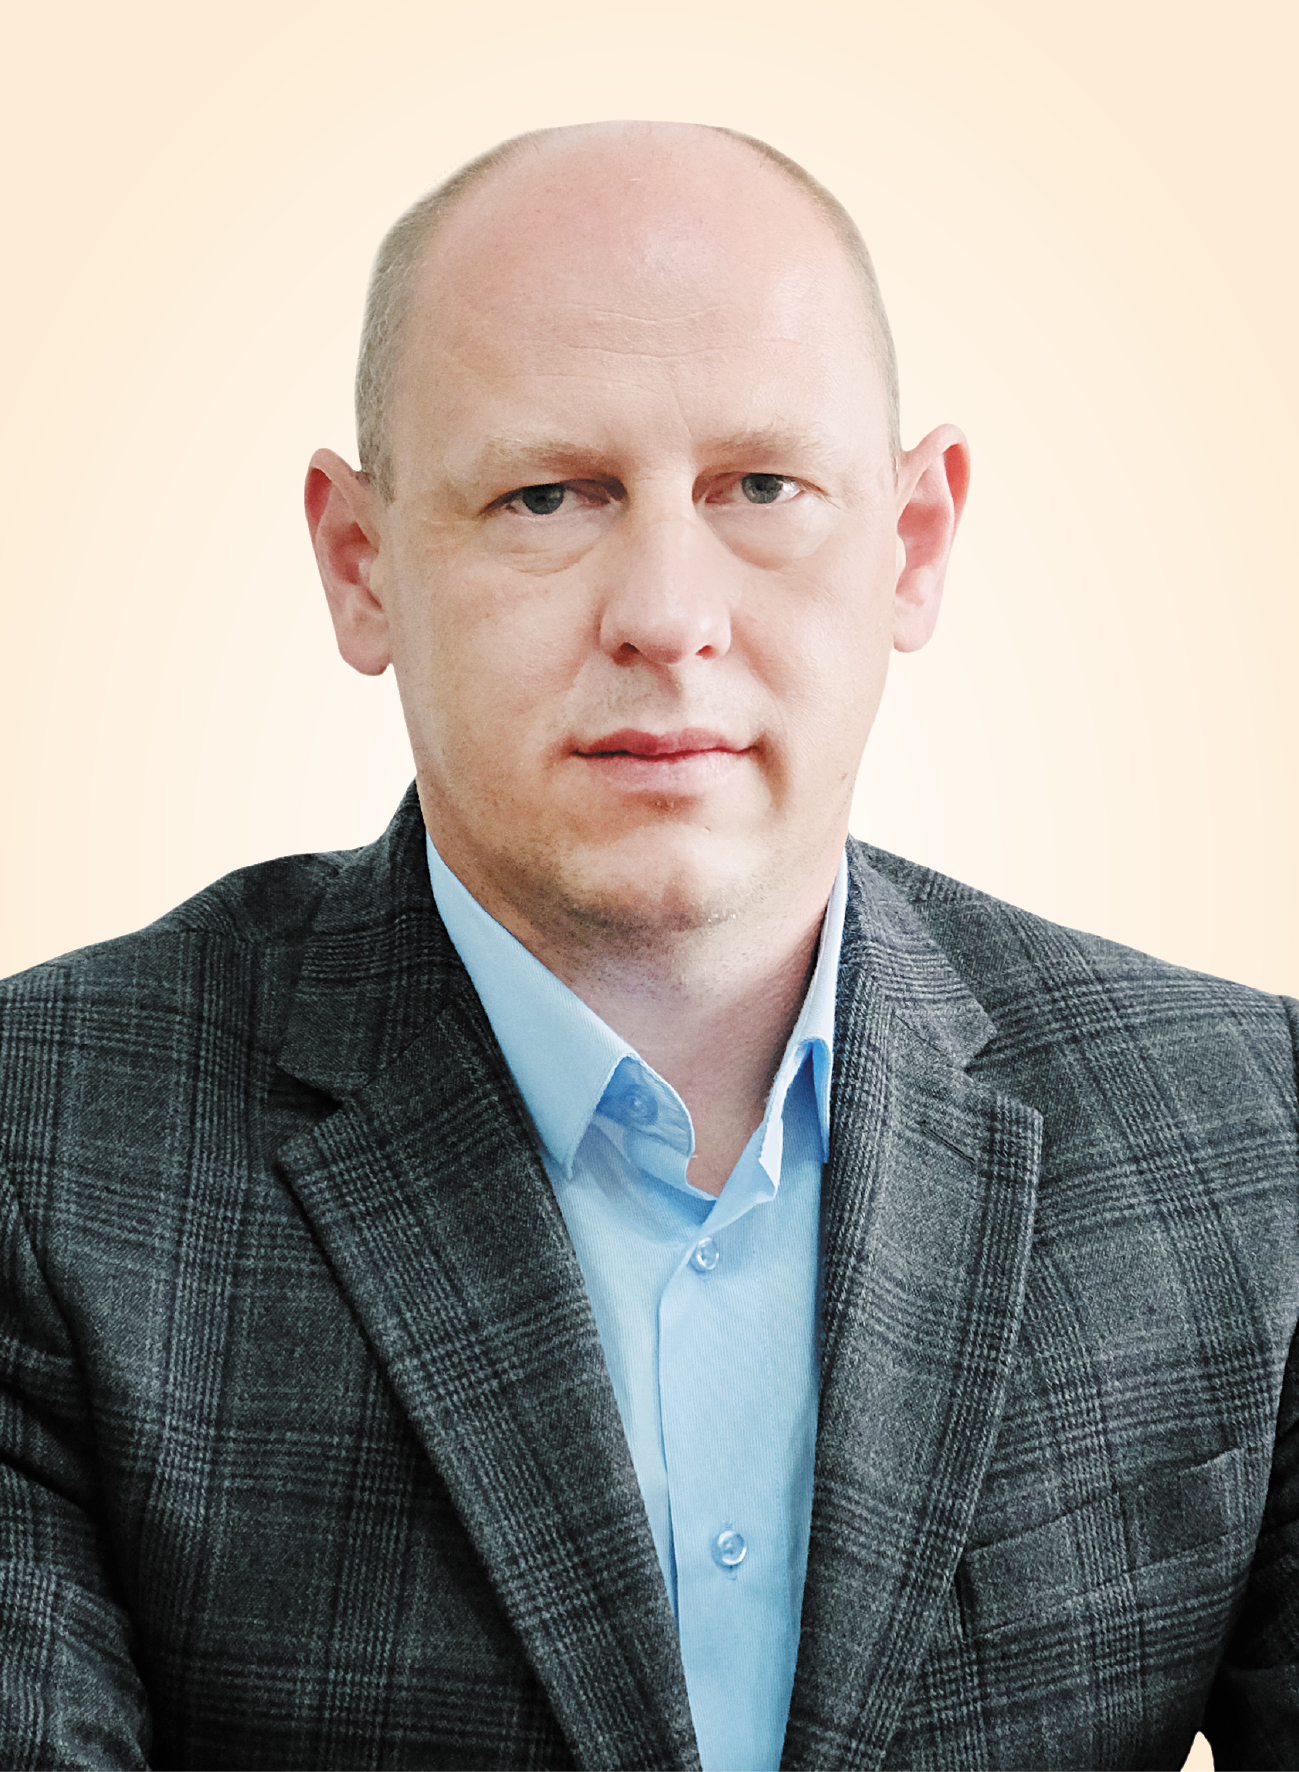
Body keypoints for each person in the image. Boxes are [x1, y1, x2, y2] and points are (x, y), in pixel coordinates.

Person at [0, 119, 1295, 1772]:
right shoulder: (44, 1145)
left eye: (761, 488)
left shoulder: (1257, 1131)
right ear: (359, 565)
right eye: (550, 494)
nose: (668, 615)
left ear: (912, 543)